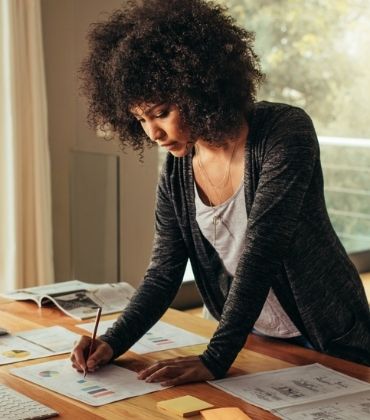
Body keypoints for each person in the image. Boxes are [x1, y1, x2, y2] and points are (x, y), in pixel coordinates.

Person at [71, 0, 370, 385]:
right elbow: (164, 274)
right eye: (140, 119)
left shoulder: (284, 133)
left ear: (198, 86)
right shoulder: (177, 172)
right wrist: (111, 342)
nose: (153, 134)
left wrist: (214, 359)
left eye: (161, 112)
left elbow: (262, 250)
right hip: (255, 337)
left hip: (329, 336)